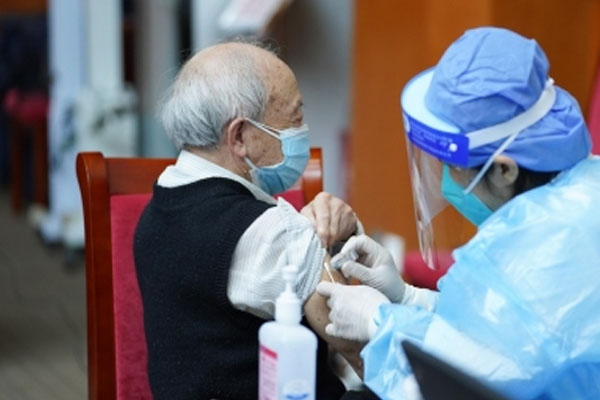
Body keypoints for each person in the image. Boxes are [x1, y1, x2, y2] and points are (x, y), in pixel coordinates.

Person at [317, 27, 600, 399]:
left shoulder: (537, 255)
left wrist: (379, 322)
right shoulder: (582, 189)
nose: (447, 181)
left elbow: (446, 387)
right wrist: (410, 299)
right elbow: (502, 333)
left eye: (453, 166)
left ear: (504, 170)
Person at [134, 41, 366, 400]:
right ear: (240, 136)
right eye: (295, 118)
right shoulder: (273, 233)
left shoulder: (158, 208)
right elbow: (369, 354)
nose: (302, 129)